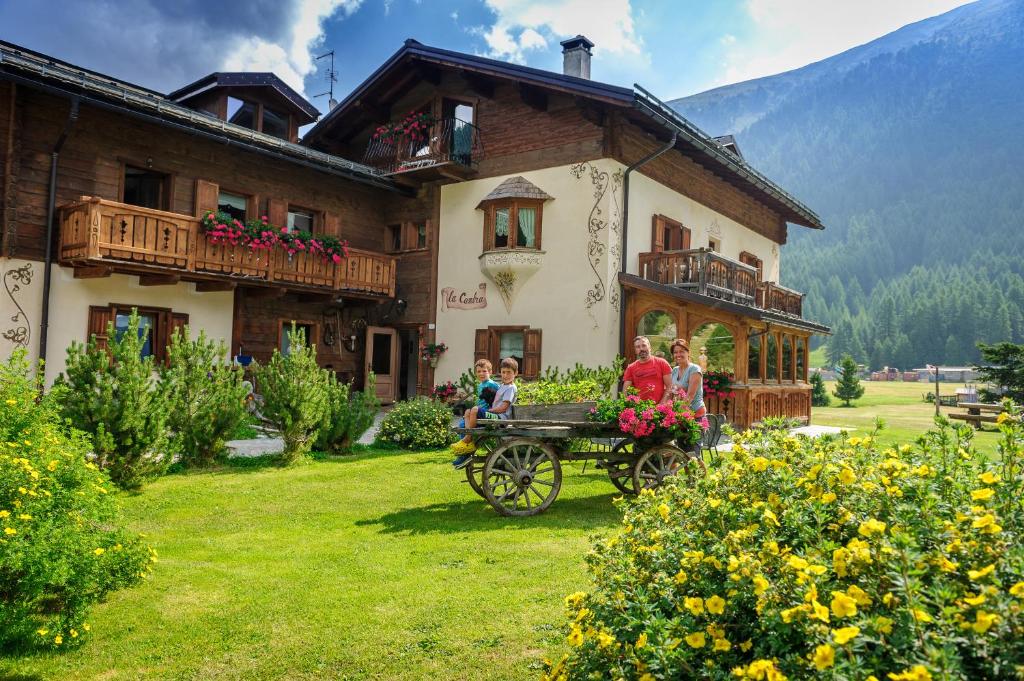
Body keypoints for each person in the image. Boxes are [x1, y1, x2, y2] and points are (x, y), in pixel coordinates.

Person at [452, 358, 518, 468]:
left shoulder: (510, 388)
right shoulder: (503, 386)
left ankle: (468, 438)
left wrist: (488, 410)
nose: (505, 375)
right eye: (503, 372)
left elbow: (503, 408)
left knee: (474, 410)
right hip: (496, 415)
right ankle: (467, 443)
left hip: (501, 418)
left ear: (515, 373)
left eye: (509, 372)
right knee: (468, 411)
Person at [450, 359, 499, 465]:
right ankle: (464, 452)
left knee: (464, 425)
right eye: (479, 371)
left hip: (487, 413)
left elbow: (496, 400)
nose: (481, 373)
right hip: (480, 412)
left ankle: (465, 451)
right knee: (463, 423)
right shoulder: (481, 385)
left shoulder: (492, 385)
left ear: (490, 372)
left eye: (484, 371)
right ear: (476, 373)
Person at [623, 335, 672, 403]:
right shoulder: (631, 368)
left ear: (649, 347)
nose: (641, 349)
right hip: (640, 409)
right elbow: (625, 392)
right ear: (635, 351)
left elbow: (669, 386)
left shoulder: (662, 363)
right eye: (638, 347)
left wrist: (662, 404)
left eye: (644, 345)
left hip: (660, 409)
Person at [669, 338, 707, 418]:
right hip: (681, 413)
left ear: (688, 352)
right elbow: (672, 392)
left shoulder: (694, 369)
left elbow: (690, 396)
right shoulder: (675, 370)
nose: (678, 355)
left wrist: (676, 415)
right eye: (675, 352)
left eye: (682, 351)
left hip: (695, 413)